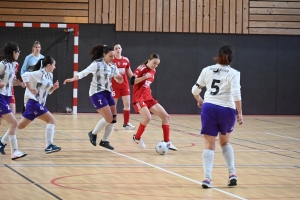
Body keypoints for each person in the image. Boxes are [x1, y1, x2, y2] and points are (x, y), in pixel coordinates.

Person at [191, 45, 243, 189]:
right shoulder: (234, 73)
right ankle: (232, 173)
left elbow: (195, 90)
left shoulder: (206, 70)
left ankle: (207, 178)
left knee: (209, 145)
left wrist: (199, 100)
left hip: (209, 108)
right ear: (231, 58)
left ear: (218, 56)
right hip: (227, 109)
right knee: (225, 143)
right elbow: (236, 94)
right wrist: (240, 113)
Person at [64, 45, 123, 150]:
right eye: (110, 56)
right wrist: (73, 78)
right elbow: (84, 72)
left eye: (113, 56)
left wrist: (119, 78)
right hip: (97, 93)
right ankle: (93, 133)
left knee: (113, 119)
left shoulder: (113, 66)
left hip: (108, 92)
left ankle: (104, 141)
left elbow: (119, 80)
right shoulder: (97, 64)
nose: (112, 58)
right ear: (104, 55)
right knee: (108, 118)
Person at [131, 53, 177, 151]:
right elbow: (132, 81)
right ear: (149, 60)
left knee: (166, 117)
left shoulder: (153, 71)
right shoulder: (141, 68)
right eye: (154, 63)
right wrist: (144, 77)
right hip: (139, 98)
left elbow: (147, 83)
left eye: (157, 64)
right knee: (147, 117)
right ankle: (137, 138)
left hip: (148, 97)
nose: (155, 66)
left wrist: (148, 88)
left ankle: (167, 141)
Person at [17, 56, 61, 154]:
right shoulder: (39, 73)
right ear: (48, 65)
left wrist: (53, 88)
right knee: (52, 120)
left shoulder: (50, 75)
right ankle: (49, 145)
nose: (55, 67)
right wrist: (30, 88)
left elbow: (48, 92)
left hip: (36, 104)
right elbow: (24, 75)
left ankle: (2, 141)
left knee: (20, 126)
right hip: (33, 103)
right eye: (54, 65)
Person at [0, 42, 27, 160]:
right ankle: (15, 151)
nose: (19, 54)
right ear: (13, 53)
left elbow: (9, 82)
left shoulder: (14, 64)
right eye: (18, 51)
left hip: (7, 96)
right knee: (14, 123)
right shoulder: (2, 64)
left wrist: (20, 83)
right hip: (0, 96)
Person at [111, 43, 135, 130]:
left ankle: (126, 124)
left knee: (127, 103)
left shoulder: (126, 60)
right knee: (113, 105)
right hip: (114, 86)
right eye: (116, 48)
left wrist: (134, 79)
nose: (117, 49)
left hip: (125, 85)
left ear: (121, 49)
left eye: (119, 48)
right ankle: (112, 124)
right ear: (114, 51)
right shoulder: (111, 61)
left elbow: (129, 71)